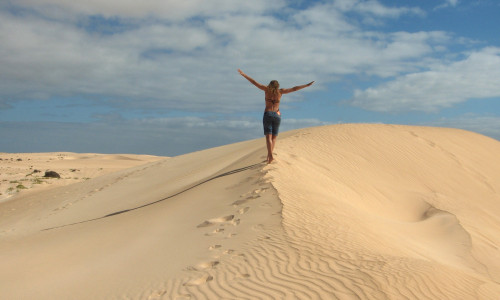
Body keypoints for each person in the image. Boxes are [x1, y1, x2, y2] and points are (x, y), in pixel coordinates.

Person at [238, 69, 314, 164]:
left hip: (268, 113)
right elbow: (294, 88)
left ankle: (270, 155)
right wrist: (306, 85)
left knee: (268, 137)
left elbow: (254, 82)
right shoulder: (281, 92)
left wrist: (244, 74)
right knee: (274, 137)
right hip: (277, 115)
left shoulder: (266, 90)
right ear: (278, 86)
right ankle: (269, 156)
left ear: (270, 85)